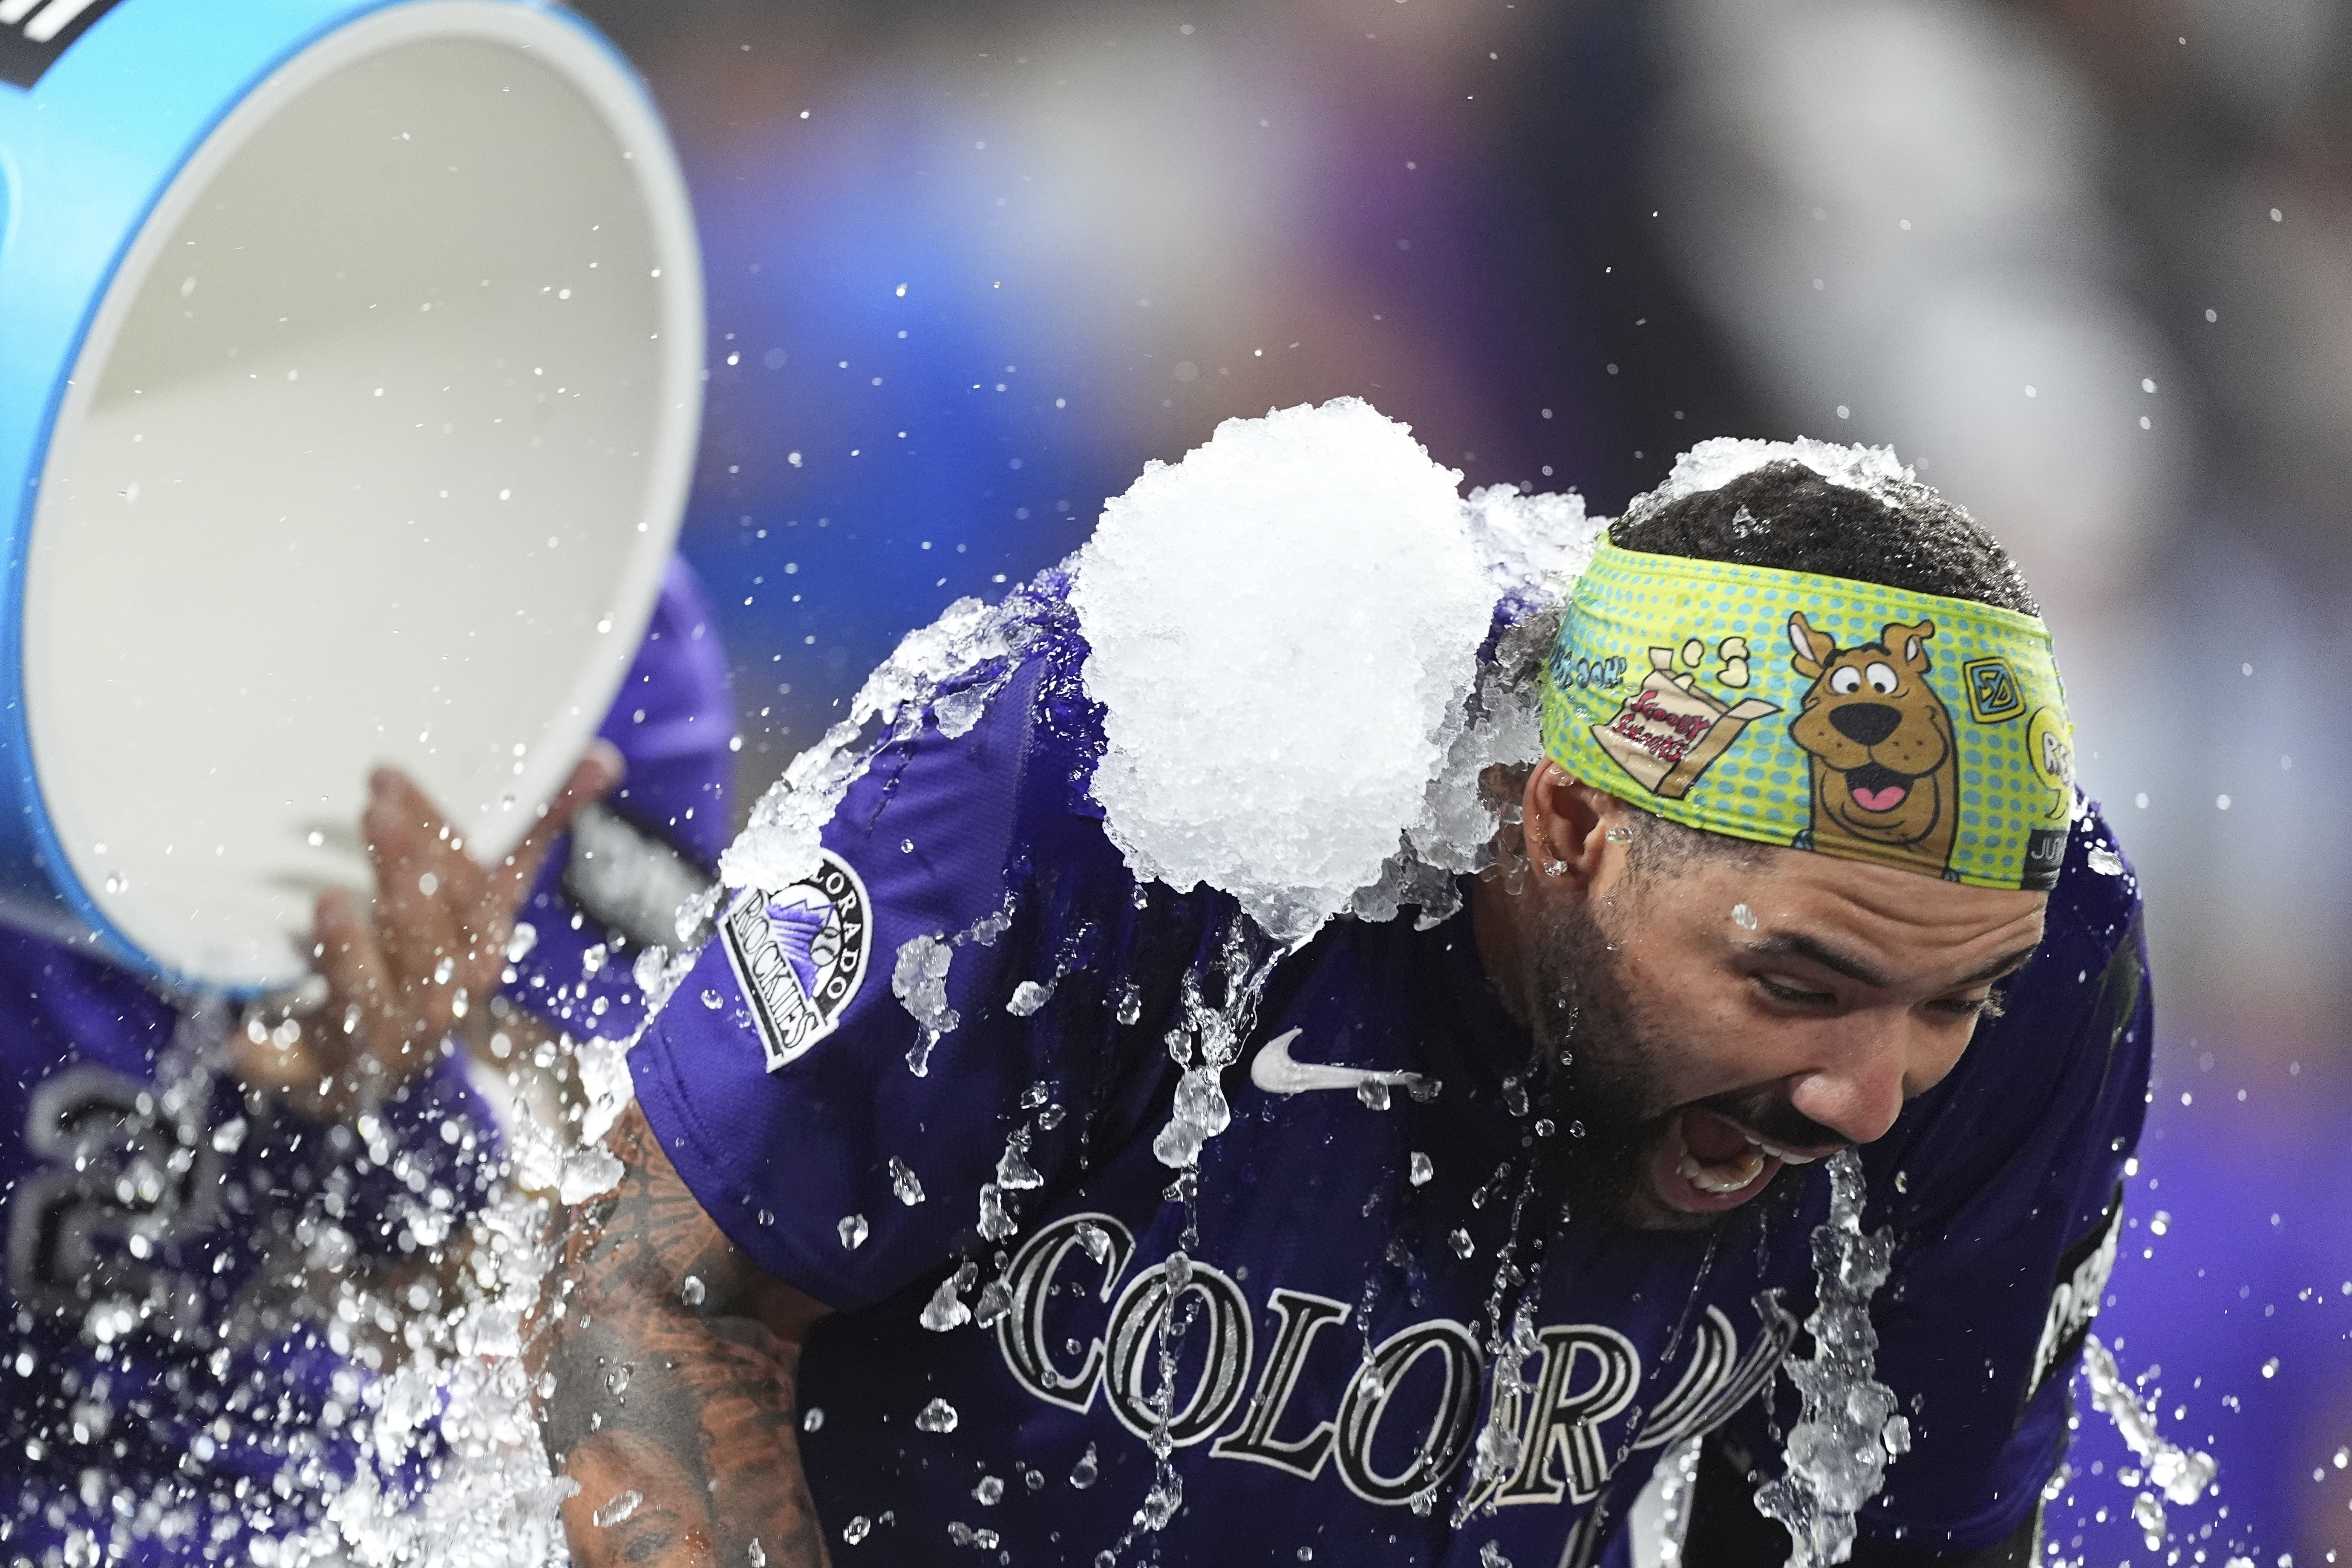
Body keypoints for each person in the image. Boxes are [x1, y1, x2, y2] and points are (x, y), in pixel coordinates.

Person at [547, 450, 2146, 1568]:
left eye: (1953, 1005)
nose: (1870, 1098)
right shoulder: (1138, 768)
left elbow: (1899, 1537)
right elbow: (651, 1287)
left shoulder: (2039, 947)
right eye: (1799, 985)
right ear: (1570, 832)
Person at [0, 559, 734, 1564]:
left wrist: (403, 1114)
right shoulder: (44, 557)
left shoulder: (568, 581)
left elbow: (584, 1254)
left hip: (328, 1511)